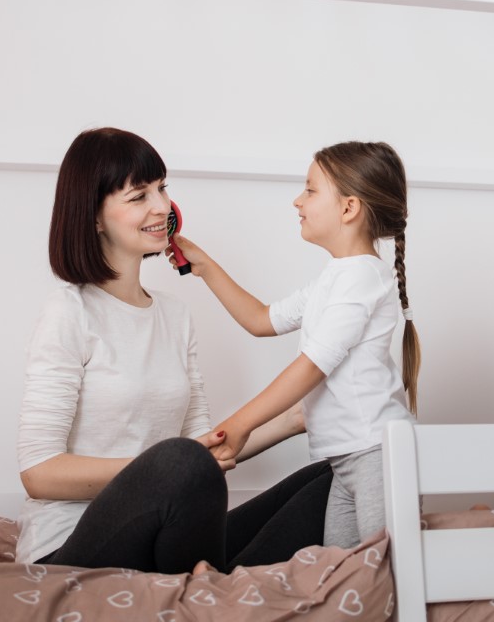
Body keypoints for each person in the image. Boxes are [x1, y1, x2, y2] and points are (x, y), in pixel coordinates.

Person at [15, 127, 332, 574]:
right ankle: (204, 592)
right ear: (94, 216)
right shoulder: (70, 312)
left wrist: (300, 416)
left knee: (335, 479)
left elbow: (209, 451)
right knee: (178, 458)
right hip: (71, 549)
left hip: (168, 536)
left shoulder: (175, 315)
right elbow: (39, 473)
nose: (161, 206)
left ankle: (209, 588)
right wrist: (157, 473)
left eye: (162, 188)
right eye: (138, 195)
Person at [169, 141, 421, 549]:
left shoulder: (360, 278)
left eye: (310, 190)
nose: (297, 201)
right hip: (347, 461)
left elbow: (311, 367)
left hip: (378, 455)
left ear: (348, 208)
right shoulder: (334, 278)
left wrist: (239, 424)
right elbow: (260, 319)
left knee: (382, 569)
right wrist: (205, 267)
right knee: (342, 573)